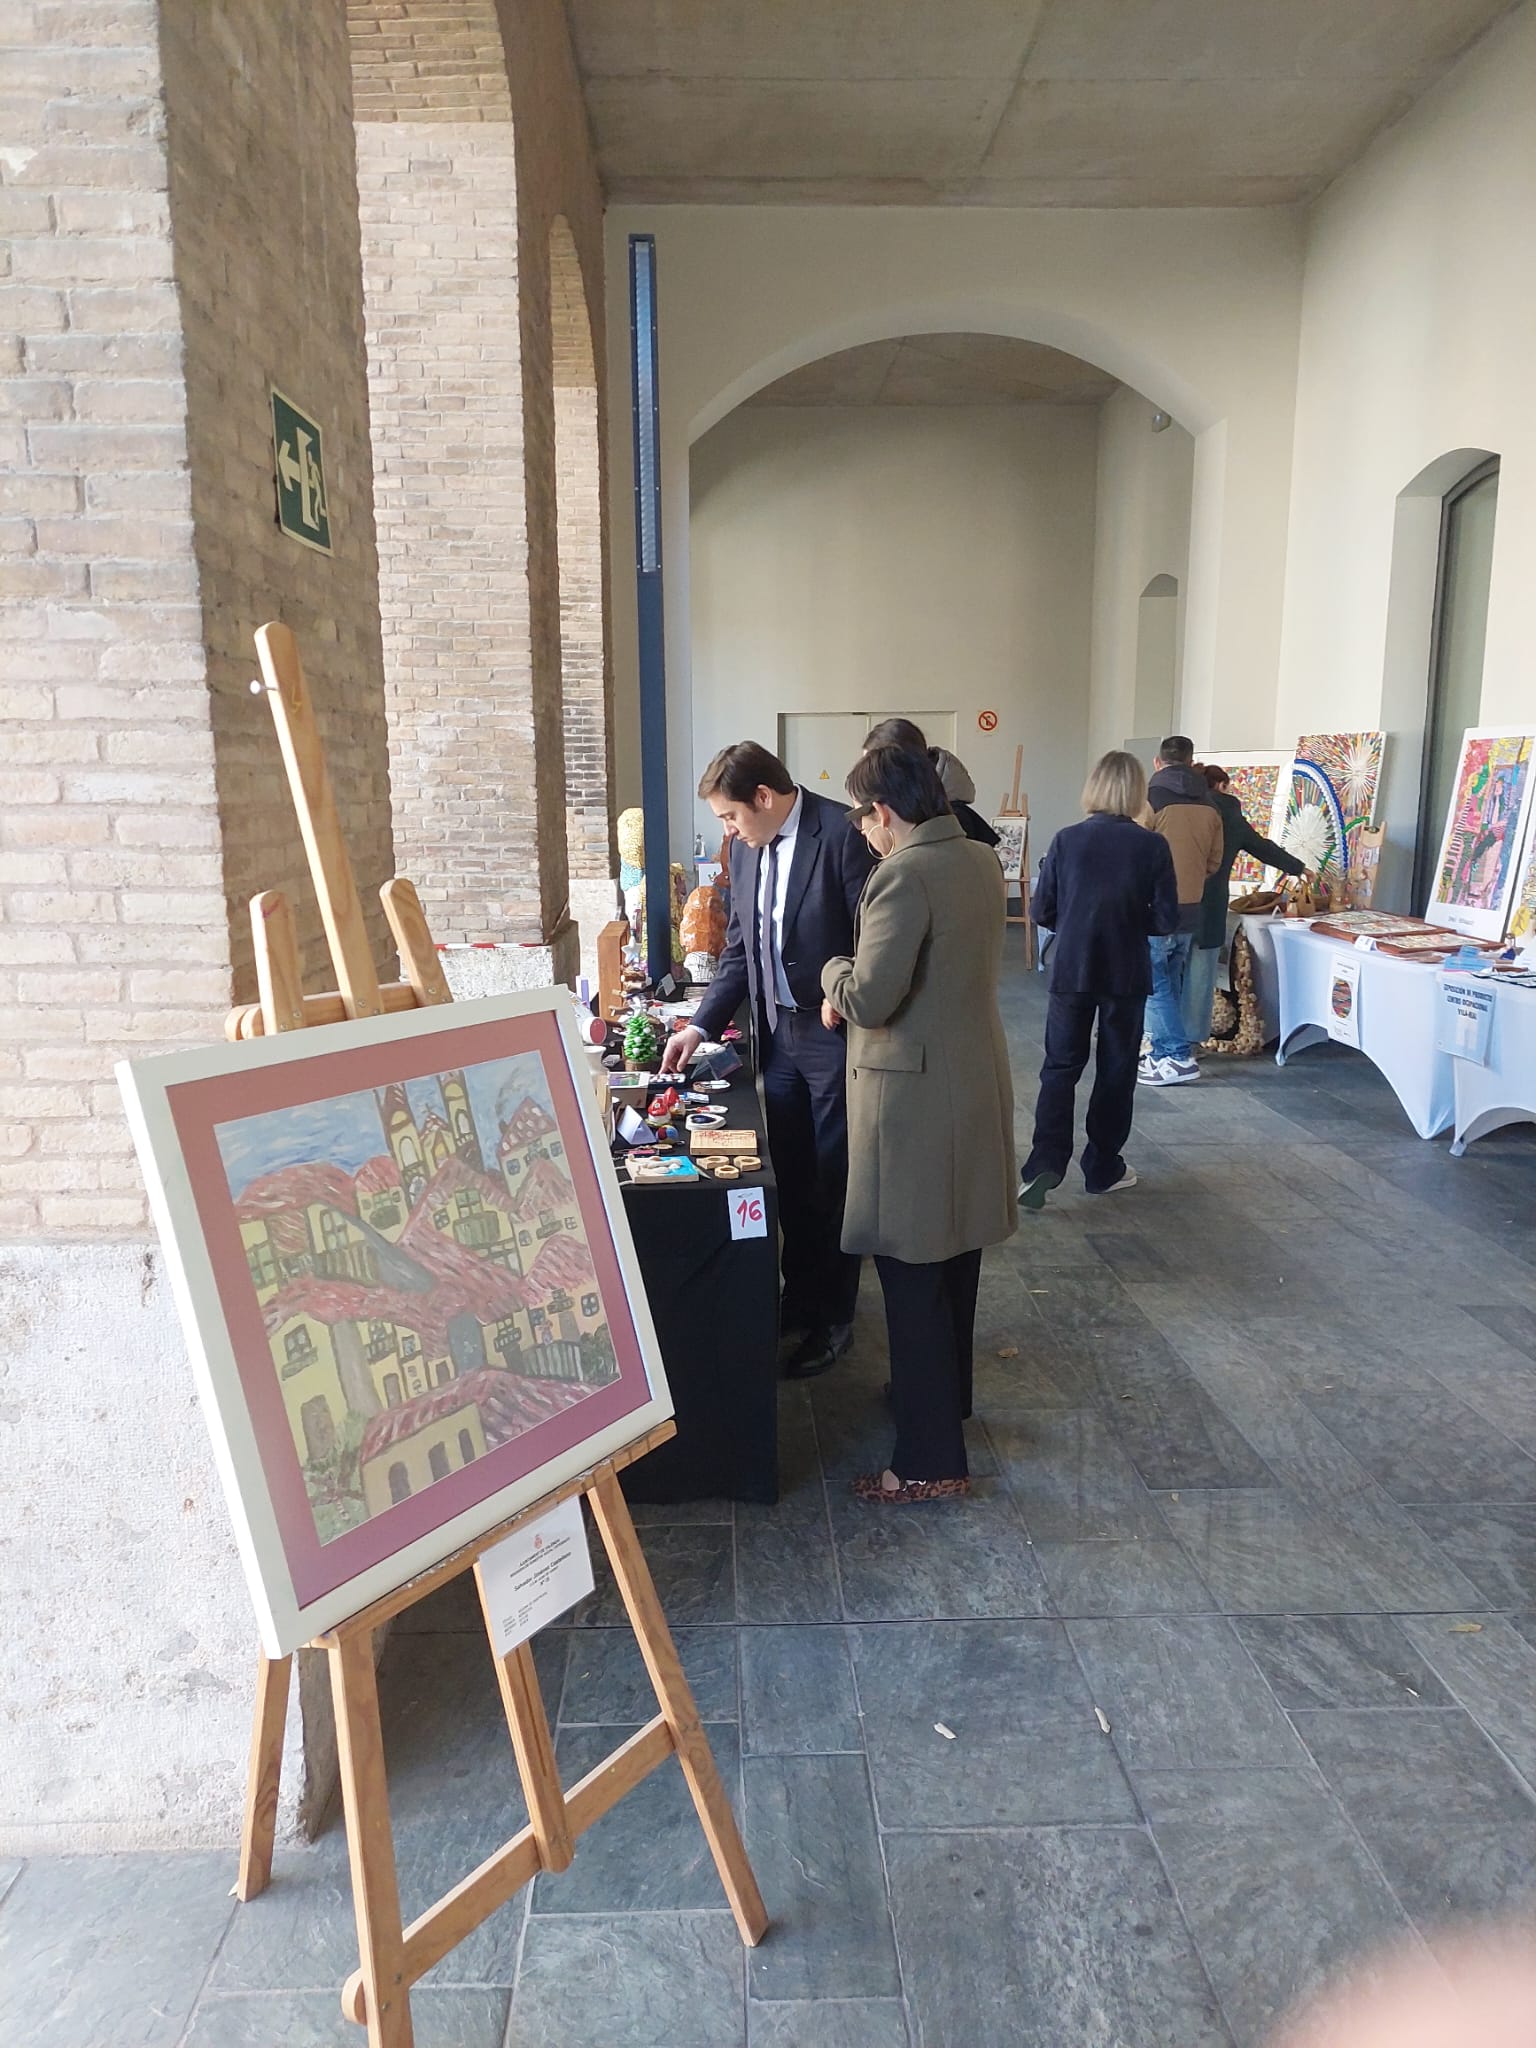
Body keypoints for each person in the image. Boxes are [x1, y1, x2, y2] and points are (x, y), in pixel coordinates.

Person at [821, 745, 1016, 1503]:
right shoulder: (978, 857)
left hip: (915, 1098)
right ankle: (942, 1401)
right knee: (955, 1257)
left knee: (910, 1272)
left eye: (862, 817)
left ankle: (929, 1463)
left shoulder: (903, 873)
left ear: (883, 811)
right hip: (971, 1080)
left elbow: (870, 999)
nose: (863, 832)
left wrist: (832, 970)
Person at [662, 740, 876, 1378]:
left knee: (835, 1181)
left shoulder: (841, 833)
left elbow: (873, 934)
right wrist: (701, 1027)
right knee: (792, 1178)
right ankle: (799, 1297)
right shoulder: (746, 850)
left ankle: (834, 1318)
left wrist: (848, 992)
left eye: (731, 816)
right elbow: (739, 950)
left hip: (834, 1034)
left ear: (764, 796)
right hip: (777, 1036)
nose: (726, 831)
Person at [1018, 752, 1178, 1207]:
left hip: (1073, 967)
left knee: (1060, 1066)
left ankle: (1045, 1162)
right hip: (1126, 970)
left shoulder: (1066, 840)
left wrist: (1076, 921)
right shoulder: (1152, 846)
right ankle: (1103, 1166)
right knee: (1116, 1069)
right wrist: (1127, 918)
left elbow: (1041, 910)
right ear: (1136, 791)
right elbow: (1166, 919)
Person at [1183, 760, 1308, 1048]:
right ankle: (1189, 1045)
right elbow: (1262, 848)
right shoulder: (1228, 813)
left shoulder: (1181, 808)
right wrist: (1298, 867)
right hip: (1210, 907)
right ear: (1222, 785)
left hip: (1175, 904)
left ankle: (1161, 1041)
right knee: (1201, 977)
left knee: (1168, 975)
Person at [1141, 734, 1223, 1086]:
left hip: (1153, 906)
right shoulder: (1210, 804)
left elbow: (1133, 852)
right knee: (1170, 980)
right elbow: (1214, 862)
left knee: (1153, 981)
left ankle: (1176, 1055)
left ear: (1157, 762)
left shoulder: (1150, 800)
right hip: (1190, 908)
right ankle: (1162, 1053)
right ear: (1191, 762)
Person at [860, 717, 998, 847]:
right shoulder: (925, 805)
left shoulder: (953, 817)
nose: (869, 775)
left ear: (900, 763)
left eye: (874, 766)